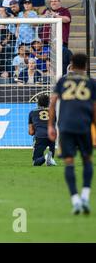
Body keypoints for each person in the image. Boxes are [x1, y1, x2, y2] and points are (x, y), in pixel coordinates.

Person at [48, 53, 96, 215]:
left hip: (66, 126)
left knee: (69, 162)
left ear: (71, 64)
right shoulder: (91, 82)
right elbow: (95, 108)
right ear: (85, 65)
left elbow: (53, 103)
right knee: (87, 160)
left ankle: (75, 199)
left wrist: (50, 126)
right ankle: (85, 196)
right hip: (84, 126)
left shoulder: (63, 81)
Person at [28, 94, 56, 166]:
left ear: (38, 103)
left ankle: (45, 158)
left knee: (36, 162)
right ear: (48, 103)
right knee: (50, 162)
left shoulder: (32, 112)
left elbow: (31, 132)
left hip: (40, 136)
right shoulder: (53, 111)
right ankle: (50, 158)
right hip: (52, 136)